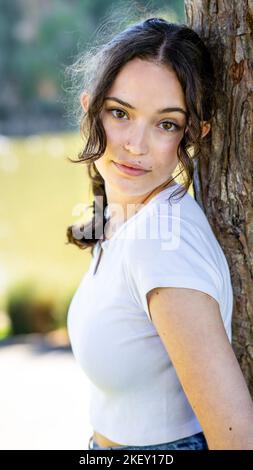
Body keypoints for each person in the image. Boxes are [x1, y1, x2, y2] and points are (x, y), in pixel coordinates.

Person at [66, 17, 253, 450]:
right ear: (89, 107)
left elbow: (238, 439)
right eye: (120, 113)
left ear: (193, 133)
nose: (136, 144)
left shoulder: (161, 243)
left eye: (165, 124)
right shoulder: (126, 213)